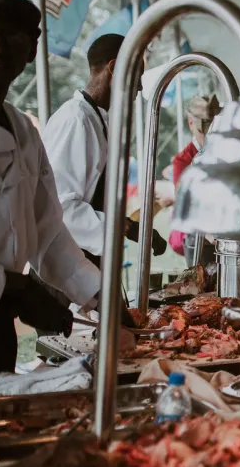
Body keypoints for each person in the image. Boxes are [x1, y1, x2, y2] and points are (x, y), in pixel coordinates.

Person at [0, 0, 97, 375]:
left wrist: (95, 292)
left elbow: (47, 229)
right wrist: (11, 287)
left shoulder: (24, 132)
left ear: (32, 49)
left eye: (11, 34)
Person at [41, 34, 167, 286]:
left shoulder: (96, 120)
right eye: (137, 75)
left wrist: (130, 225)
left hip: (87, 266)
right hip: (65, 276)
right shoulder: (76, 120)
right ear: (113, 68)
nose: (140, 87)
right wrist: (130, 229)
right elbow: (61, 207)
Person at [170, 95, 222, 266]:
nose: (208, 137)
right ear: (190, 123)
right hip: (198, 238)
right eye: (203, 132)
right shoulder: (183, 161)